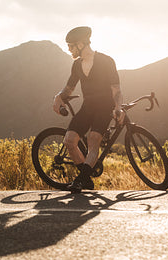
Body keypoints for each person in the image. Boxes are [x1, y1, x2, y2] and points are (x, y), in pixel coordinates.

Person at [52, 26, 125, 192]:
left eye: (71, 46)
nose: (69, 49)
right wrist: (58, 97)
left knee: (93, 140)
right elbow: (69, 88)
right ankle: (86, 180)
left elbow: (116, 89)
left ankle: (81, 179)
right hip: (87, 107)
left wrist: (118, 108)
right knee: (69, 140)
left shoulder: (106, 61)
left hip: (104, 107)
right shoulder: (77, 65)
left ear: (80, 44)